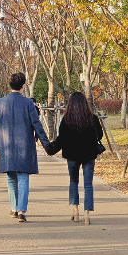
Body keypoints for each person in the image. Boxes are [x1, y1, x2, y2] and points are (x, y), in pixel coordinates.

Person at [0, 73, 50, 223]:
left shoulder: (0, 103)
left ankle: (13, 208)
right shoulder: (28, 103)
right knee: (23, 177)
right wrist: (46, 145)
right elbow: (37, 125)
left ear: (9, 85)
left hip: (6, 147)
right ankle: (22, 210)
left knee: (11, 178)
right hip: (24, 145)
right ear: (23, 86)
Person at [46, 91, 103, 225]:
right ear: (85, 103)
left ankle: (75, 210)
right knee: (88, 184)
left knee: (73, 182)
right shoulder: (92, 118)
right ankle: (87, 214)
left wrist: (50, 150)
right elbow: (99, 135)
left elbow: (61, 139)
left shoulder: (67, 120)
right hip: (89, 154)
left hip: (72, 155)